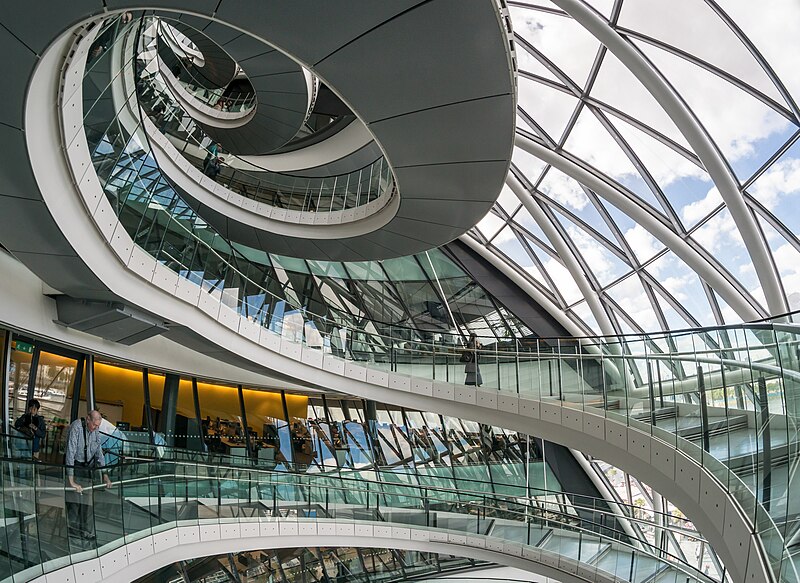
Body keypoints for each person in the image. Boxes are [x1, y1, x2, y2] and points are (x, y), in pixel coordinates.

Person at [64, 410, 113, 540]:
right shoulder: (76, 428)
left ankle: (85, 530)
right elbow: (70, 453)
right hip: (75, 465)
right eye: (94, 425)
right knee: (74, 501)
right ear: (88, 420)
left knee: (87, 502)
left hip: (87, 468)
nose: (96, 428)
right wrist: (71, 480)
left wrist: (105, 474)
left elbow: (99, 453)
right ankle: (73, 530)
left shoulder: (95, 430)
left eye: (98, 426)